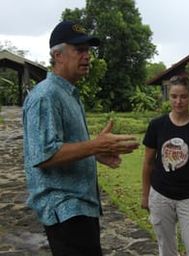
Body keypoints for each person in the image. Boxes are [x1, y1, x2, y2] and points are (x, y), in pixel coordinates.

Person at [23, 20, 139, 256]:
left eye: (88, 50)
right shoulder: (46, 95)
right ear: (58, 55)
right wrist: (94, 145)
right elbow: (44, 155)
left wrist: (94, 152)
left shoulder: (68, 93)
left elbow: (64, 145)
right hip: (65, 208)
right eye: (79, 50)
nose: (87, 56)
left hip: (80, 208)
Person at [141, 75, 189, 256]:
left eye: (183, 96)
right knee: (166, 248)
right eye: (174, 96)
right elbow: (148, 162)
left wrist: (188, 166)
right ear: (169, 97)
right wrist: (145, 195)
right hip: (160, 195)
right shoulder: (157, 125)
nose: (178, 101)